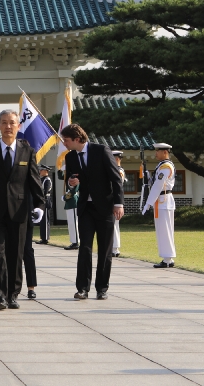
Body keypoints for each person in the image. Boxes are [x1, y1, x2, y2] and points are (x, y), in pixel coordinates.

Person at [0, 109, 45, 311]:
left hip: (19, 211)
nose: (8, 126)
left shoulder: (27, 151)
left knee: (16, 254)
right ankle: (0, 297)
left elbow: (34, 181)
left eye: (12, 122)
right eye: (4, 123)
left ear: (18, 126)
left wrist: (40, 205)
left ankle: (13, 294)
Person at [61, 123, 124, 301]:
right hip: (85, 208)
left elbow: (115, 178)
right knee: (85, 248)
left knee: (105, 250)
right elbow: (71, 178)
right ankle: (82, 288)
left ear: (77, 139)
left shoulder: (101, 150)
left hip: (105, 207)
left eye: (66, 140)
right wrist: (72, 182)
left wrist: (119, 204)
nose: (64, 143)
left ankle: (102, 288)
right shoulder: (70, 157)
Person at [142, 143, 176, 268]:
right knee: (162, 230)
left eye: (158, 151)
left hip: (164, 200)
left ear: (165, 152)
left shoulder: (166, 166)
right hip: (161, 200)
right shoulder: (161, 166)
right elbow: (154, 182)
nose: (155, 153)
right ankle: (167, 258)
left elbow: (158, 186)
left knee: (165, 230)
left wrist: (148, 203)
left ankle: (168, 259)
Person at [110, 151, 125, 257]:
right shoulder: (114, 170)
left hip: (114, 200)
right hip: (111, 200)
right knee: (112, 224)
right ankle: (113, 247)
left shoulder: (119, 171)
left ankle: (115, 248)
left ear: (117, 159)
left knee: (114, 224)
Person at [63, 166, 80, 250]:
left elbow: (74, 191)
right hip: (69, 203)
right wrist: (59, 169)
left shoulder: (74, 178)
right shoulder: (68, 178)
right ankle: (73, 241)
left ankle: (76, 242)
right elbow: (60, 176)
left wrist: (65, 197)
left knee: (74, 223)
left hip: (73, 202)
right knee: (71, 224)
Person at [38, 166, 53, 244]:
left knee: (45, 220)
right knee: (42, 220)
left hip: (46, 200)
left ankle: (46, 238)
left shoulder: (47, 180)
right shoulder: (41, 179)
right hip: (42, 200)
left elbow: (45, 191)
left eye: (41, 170)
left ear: (46, 171)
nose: (40, 171)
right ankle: (43, 237)